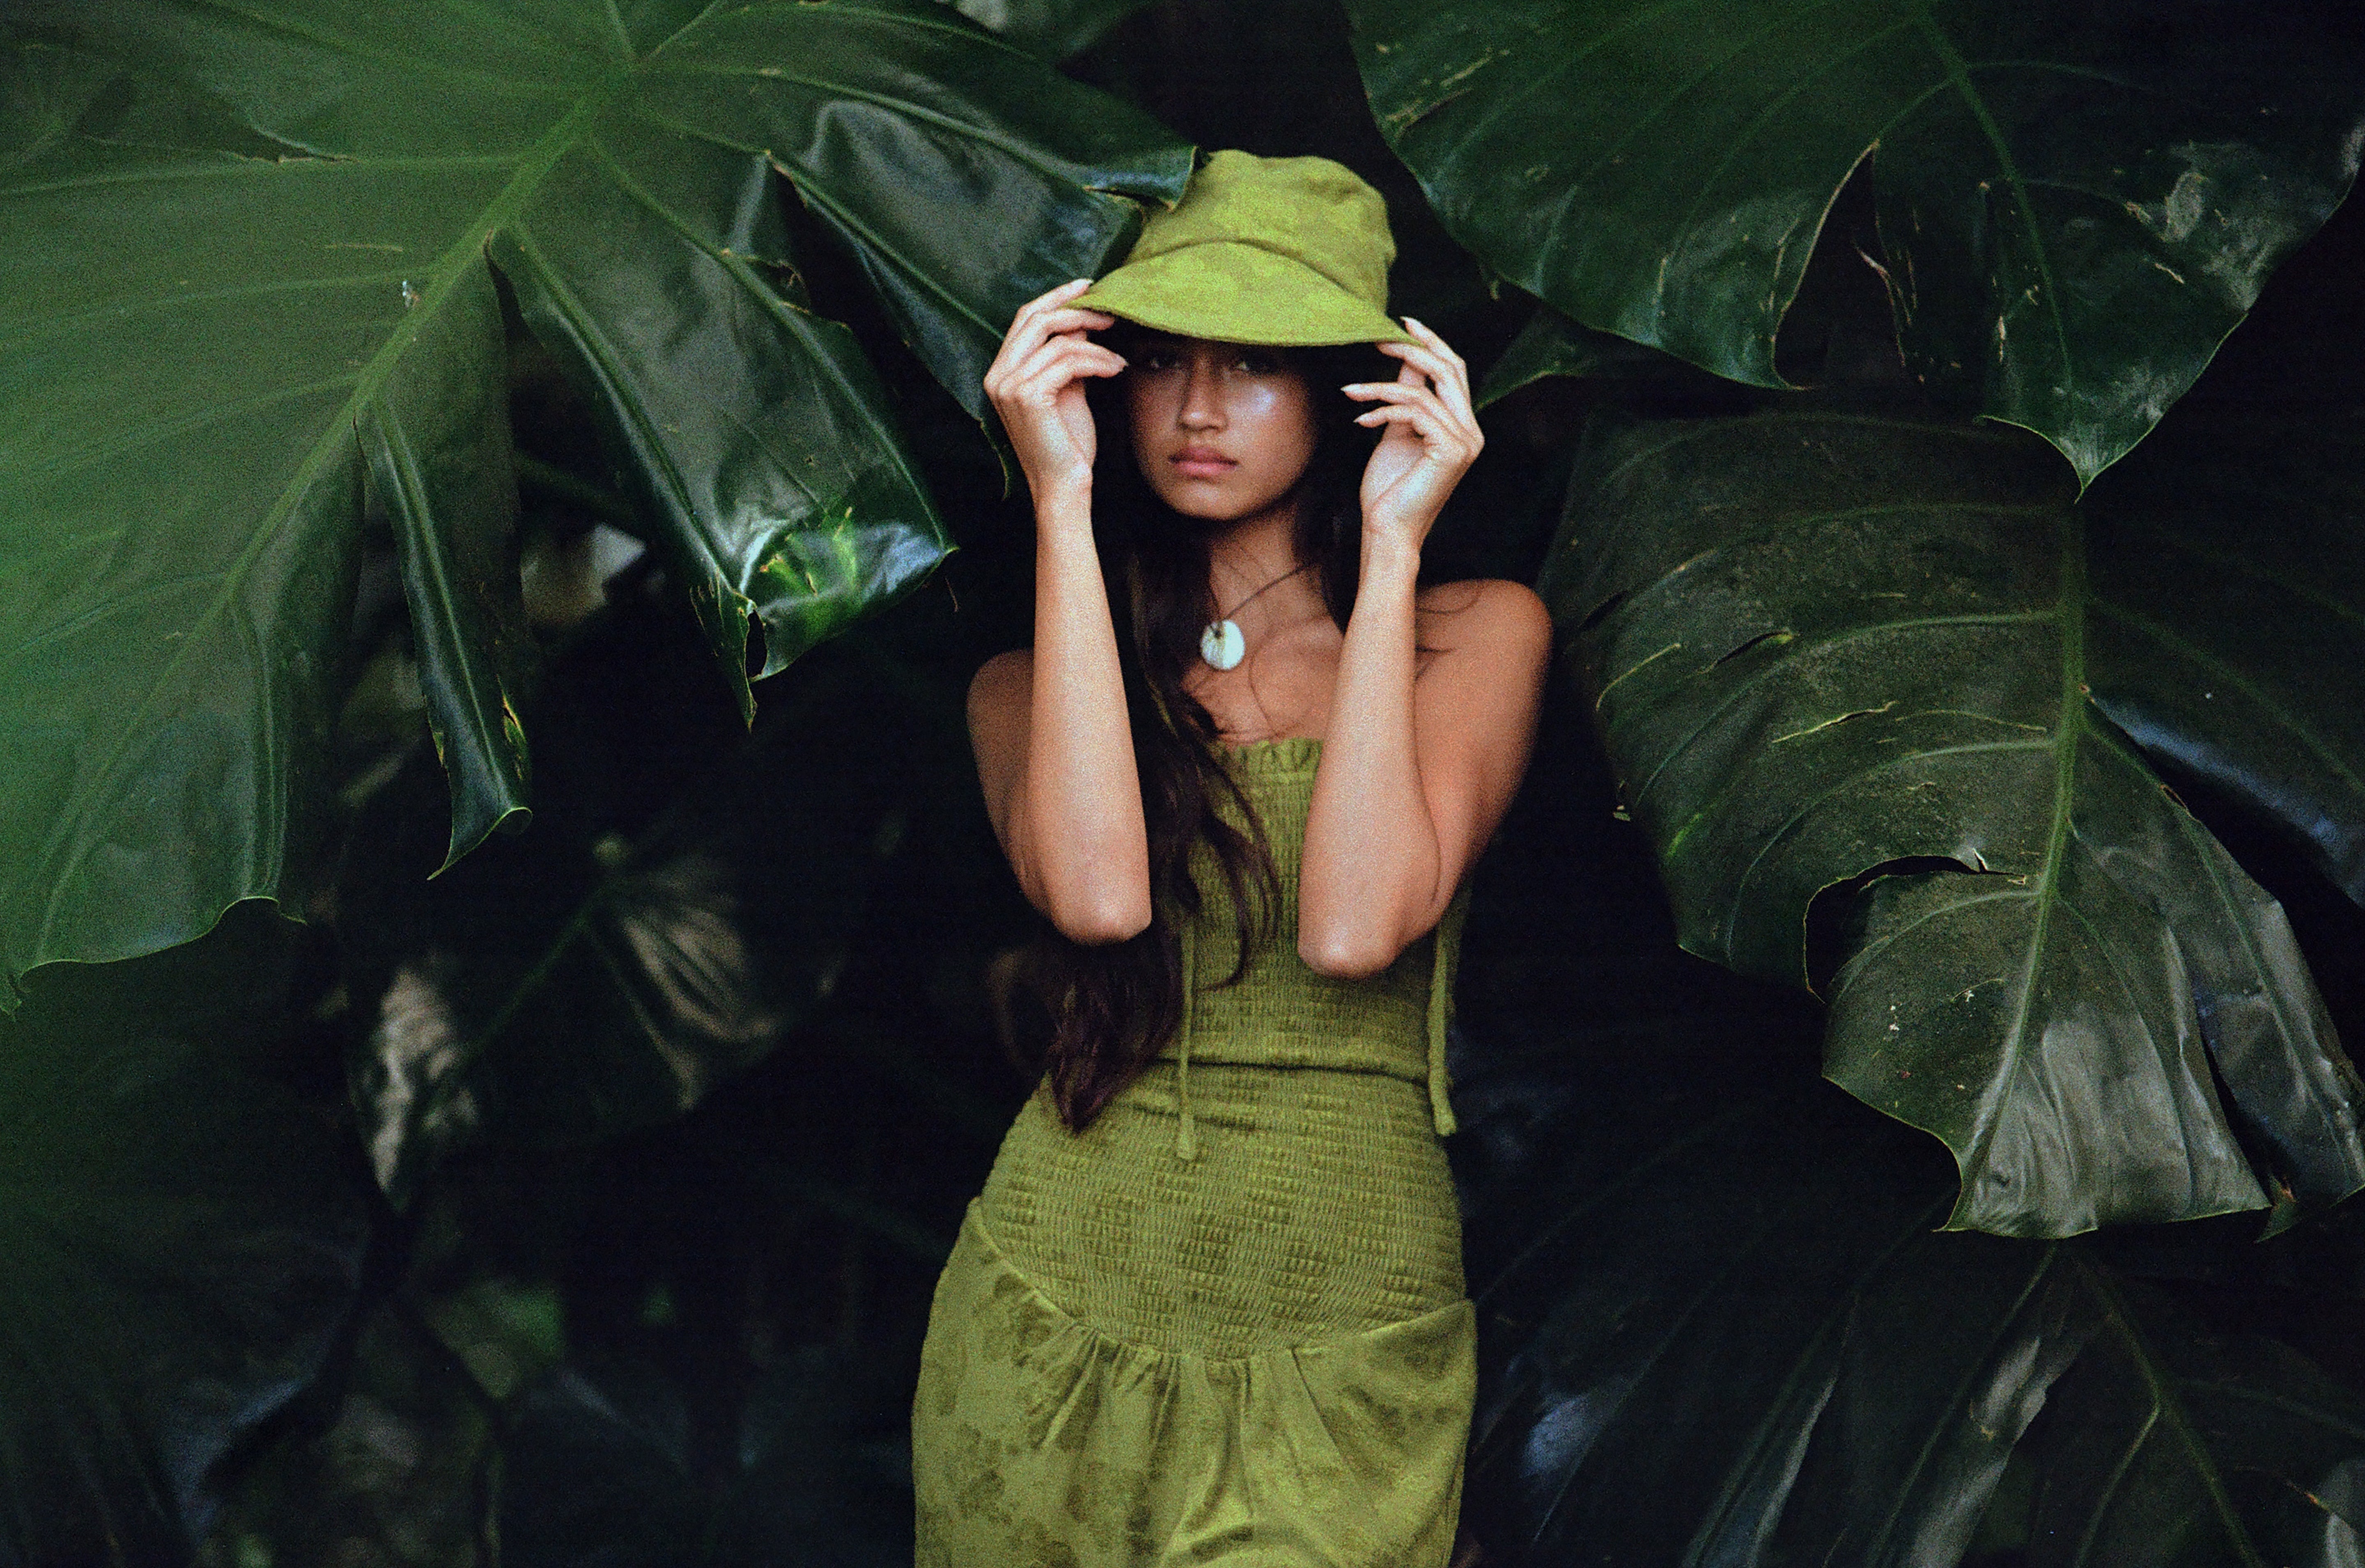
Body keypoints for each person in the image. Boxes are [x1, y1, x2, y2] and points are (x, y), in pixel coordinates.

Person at [913, 150, 1550, 1566]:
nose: (1200, 409)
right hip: (1058, 1288)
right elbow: (1099, 896)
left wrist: (1390, 551)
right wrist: (1060, 503)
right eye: (1163, 361)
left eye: (1259, 362)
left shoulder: (1476, 631)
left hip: (1342, 1311)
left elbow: (1354, 926)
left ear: (1349, 390)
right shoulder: (1026, 688)